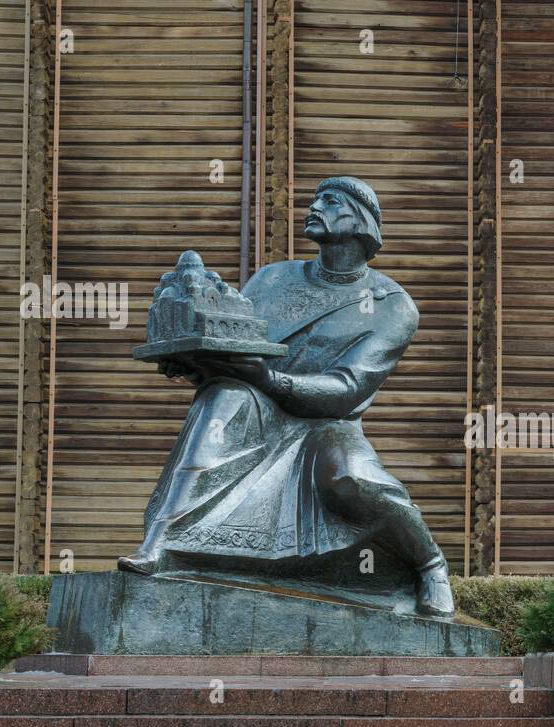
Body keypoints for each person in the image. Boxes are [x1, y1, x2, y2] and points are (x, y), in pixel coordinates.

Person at [119, 176, 454, 618]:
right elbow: (237, 345)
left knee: (350, 478)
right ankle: (161, 545)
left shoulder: (392, 305)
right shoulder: (272, 279)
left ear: (360, 221)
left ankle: (428, 563)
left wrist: (271, 379)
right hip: (258, 408)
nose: (313, 205)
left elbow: (348, 389)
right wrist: (194, 363)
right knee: (221, 398)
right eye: (315, 198)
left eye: (329, 201)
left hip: (325, 424)